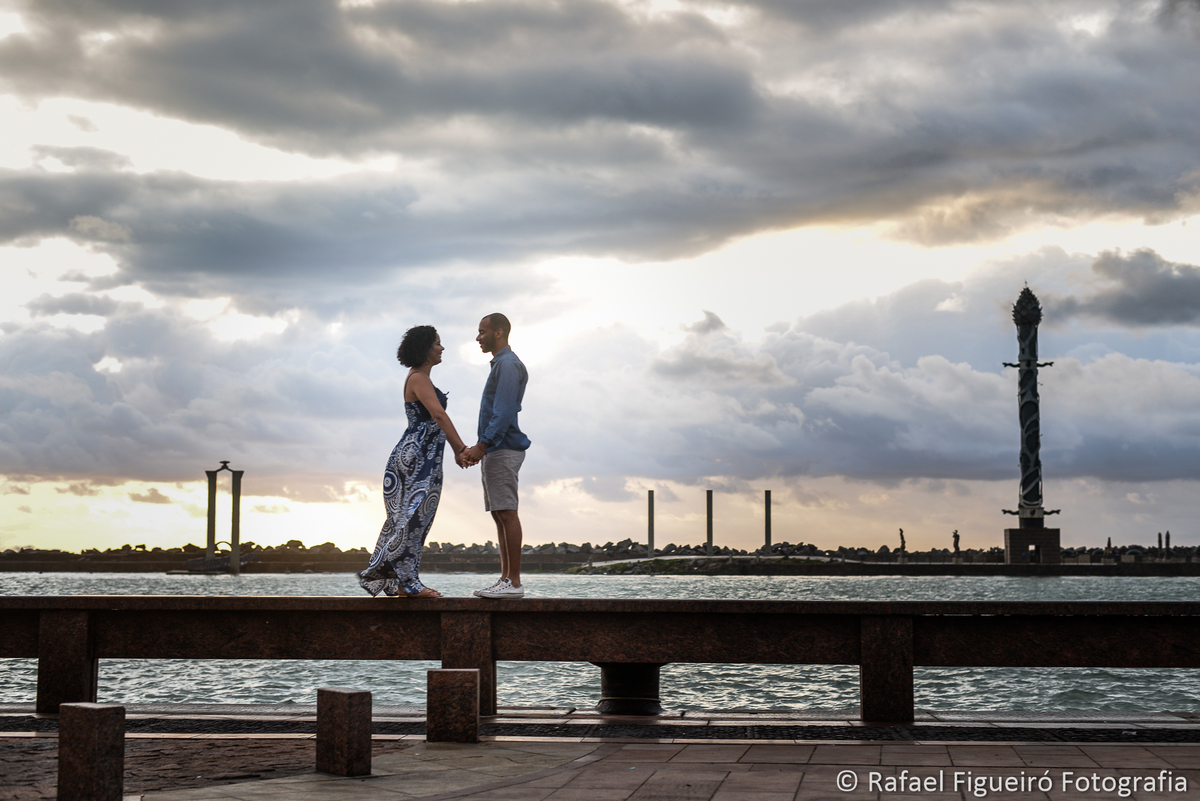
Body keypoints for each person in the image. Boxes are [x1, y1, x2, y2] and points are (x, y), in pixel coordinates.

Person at [359, 325, 470, 599]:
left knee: (411, 520)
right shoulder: (418, 378)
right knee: (412, 520)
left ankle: (400, 581)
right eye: (437, 343)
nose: (442, 348)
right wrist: (461, 448)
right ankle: (407, 583)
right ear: (424, 349)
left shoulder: (419, 377)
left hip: (420, 458)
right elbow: (439, 416)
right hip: (416, 459)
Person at [458, 313, 530, 598]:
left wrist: (482, 446)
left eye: (482, 331)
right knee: (500, 514)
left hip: (502, 448)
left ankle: (513, 583)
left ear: (498, 332)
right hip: (496, 448)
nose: (478, 337)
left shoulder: (508, 365)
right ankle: (506, 580)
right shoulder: (501, 364)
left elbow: (503, 412)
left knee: (507, 512)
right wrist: (483, 447)